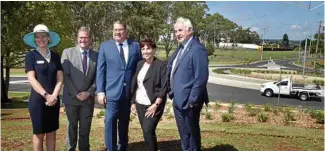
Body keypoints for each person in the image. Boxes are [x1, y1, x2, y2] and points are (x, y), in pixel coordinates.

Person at [96, 21, 142, 151]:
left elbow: (140, 68)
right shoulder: (105, 46)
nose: (118, 32)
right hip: (111, 93)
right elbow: (100, 70)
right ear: (112, 31)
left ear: (126, 31)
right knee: (110, 124)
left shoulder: (135, 46)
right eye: (115, 29)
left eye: (120, 29)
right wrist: (100, 91)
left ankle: (123, 148)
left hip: (128, 94)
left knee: (124, 125)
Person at [167, 17, 209, 151]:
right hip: (178, 100)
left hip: (189, 102)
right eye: (175, 31)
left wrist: (192, 101)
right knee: (184, 135)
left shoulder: (197, 49)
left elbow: (201, 78)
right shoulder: (181, 48)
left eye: (180, 30)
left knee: (191, 134)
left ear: (189, 30)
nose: (177, 34)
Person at [24, 24, 63, 151]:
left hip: (54, 101)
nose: (41, 39)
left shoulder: (56, 57)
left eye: (43, 36)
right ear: (35, 39)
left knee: (51, 133)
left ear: (48, 38)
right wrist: (46, 95)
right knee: (39, 134)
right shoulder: (31, 56)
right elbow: (31, 78)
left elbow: (60, 79)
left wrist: (54, 96)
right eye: (38, 37)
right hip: (38, 101)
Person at [61, 27, 98, 151]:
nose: (83, 40)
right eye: (81, 37)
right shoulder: (67, 52)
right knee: (71, 128)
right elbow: (65, 76)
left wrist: (89, 92)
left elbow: (98, 78)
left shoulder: (96, 56)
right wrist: (75, 93)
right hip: (71, 99)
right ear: (77, 38)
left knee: (85, 129)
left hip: (87, 100)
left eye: (86, 37)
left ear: (90, 39)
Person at [130, 39, 168, 151]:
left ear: (154, 50)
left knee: (148, 130)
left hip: (153, 104)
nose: (146, 51)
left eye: (148, 48)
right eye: (143, 49)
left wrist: (156, 105)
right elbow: (135, 84)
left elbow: (164, 87)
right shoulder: (139, 64)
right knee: (146, 132)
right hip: (140, 103)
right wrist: (132, 102)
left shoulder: (161, 65)